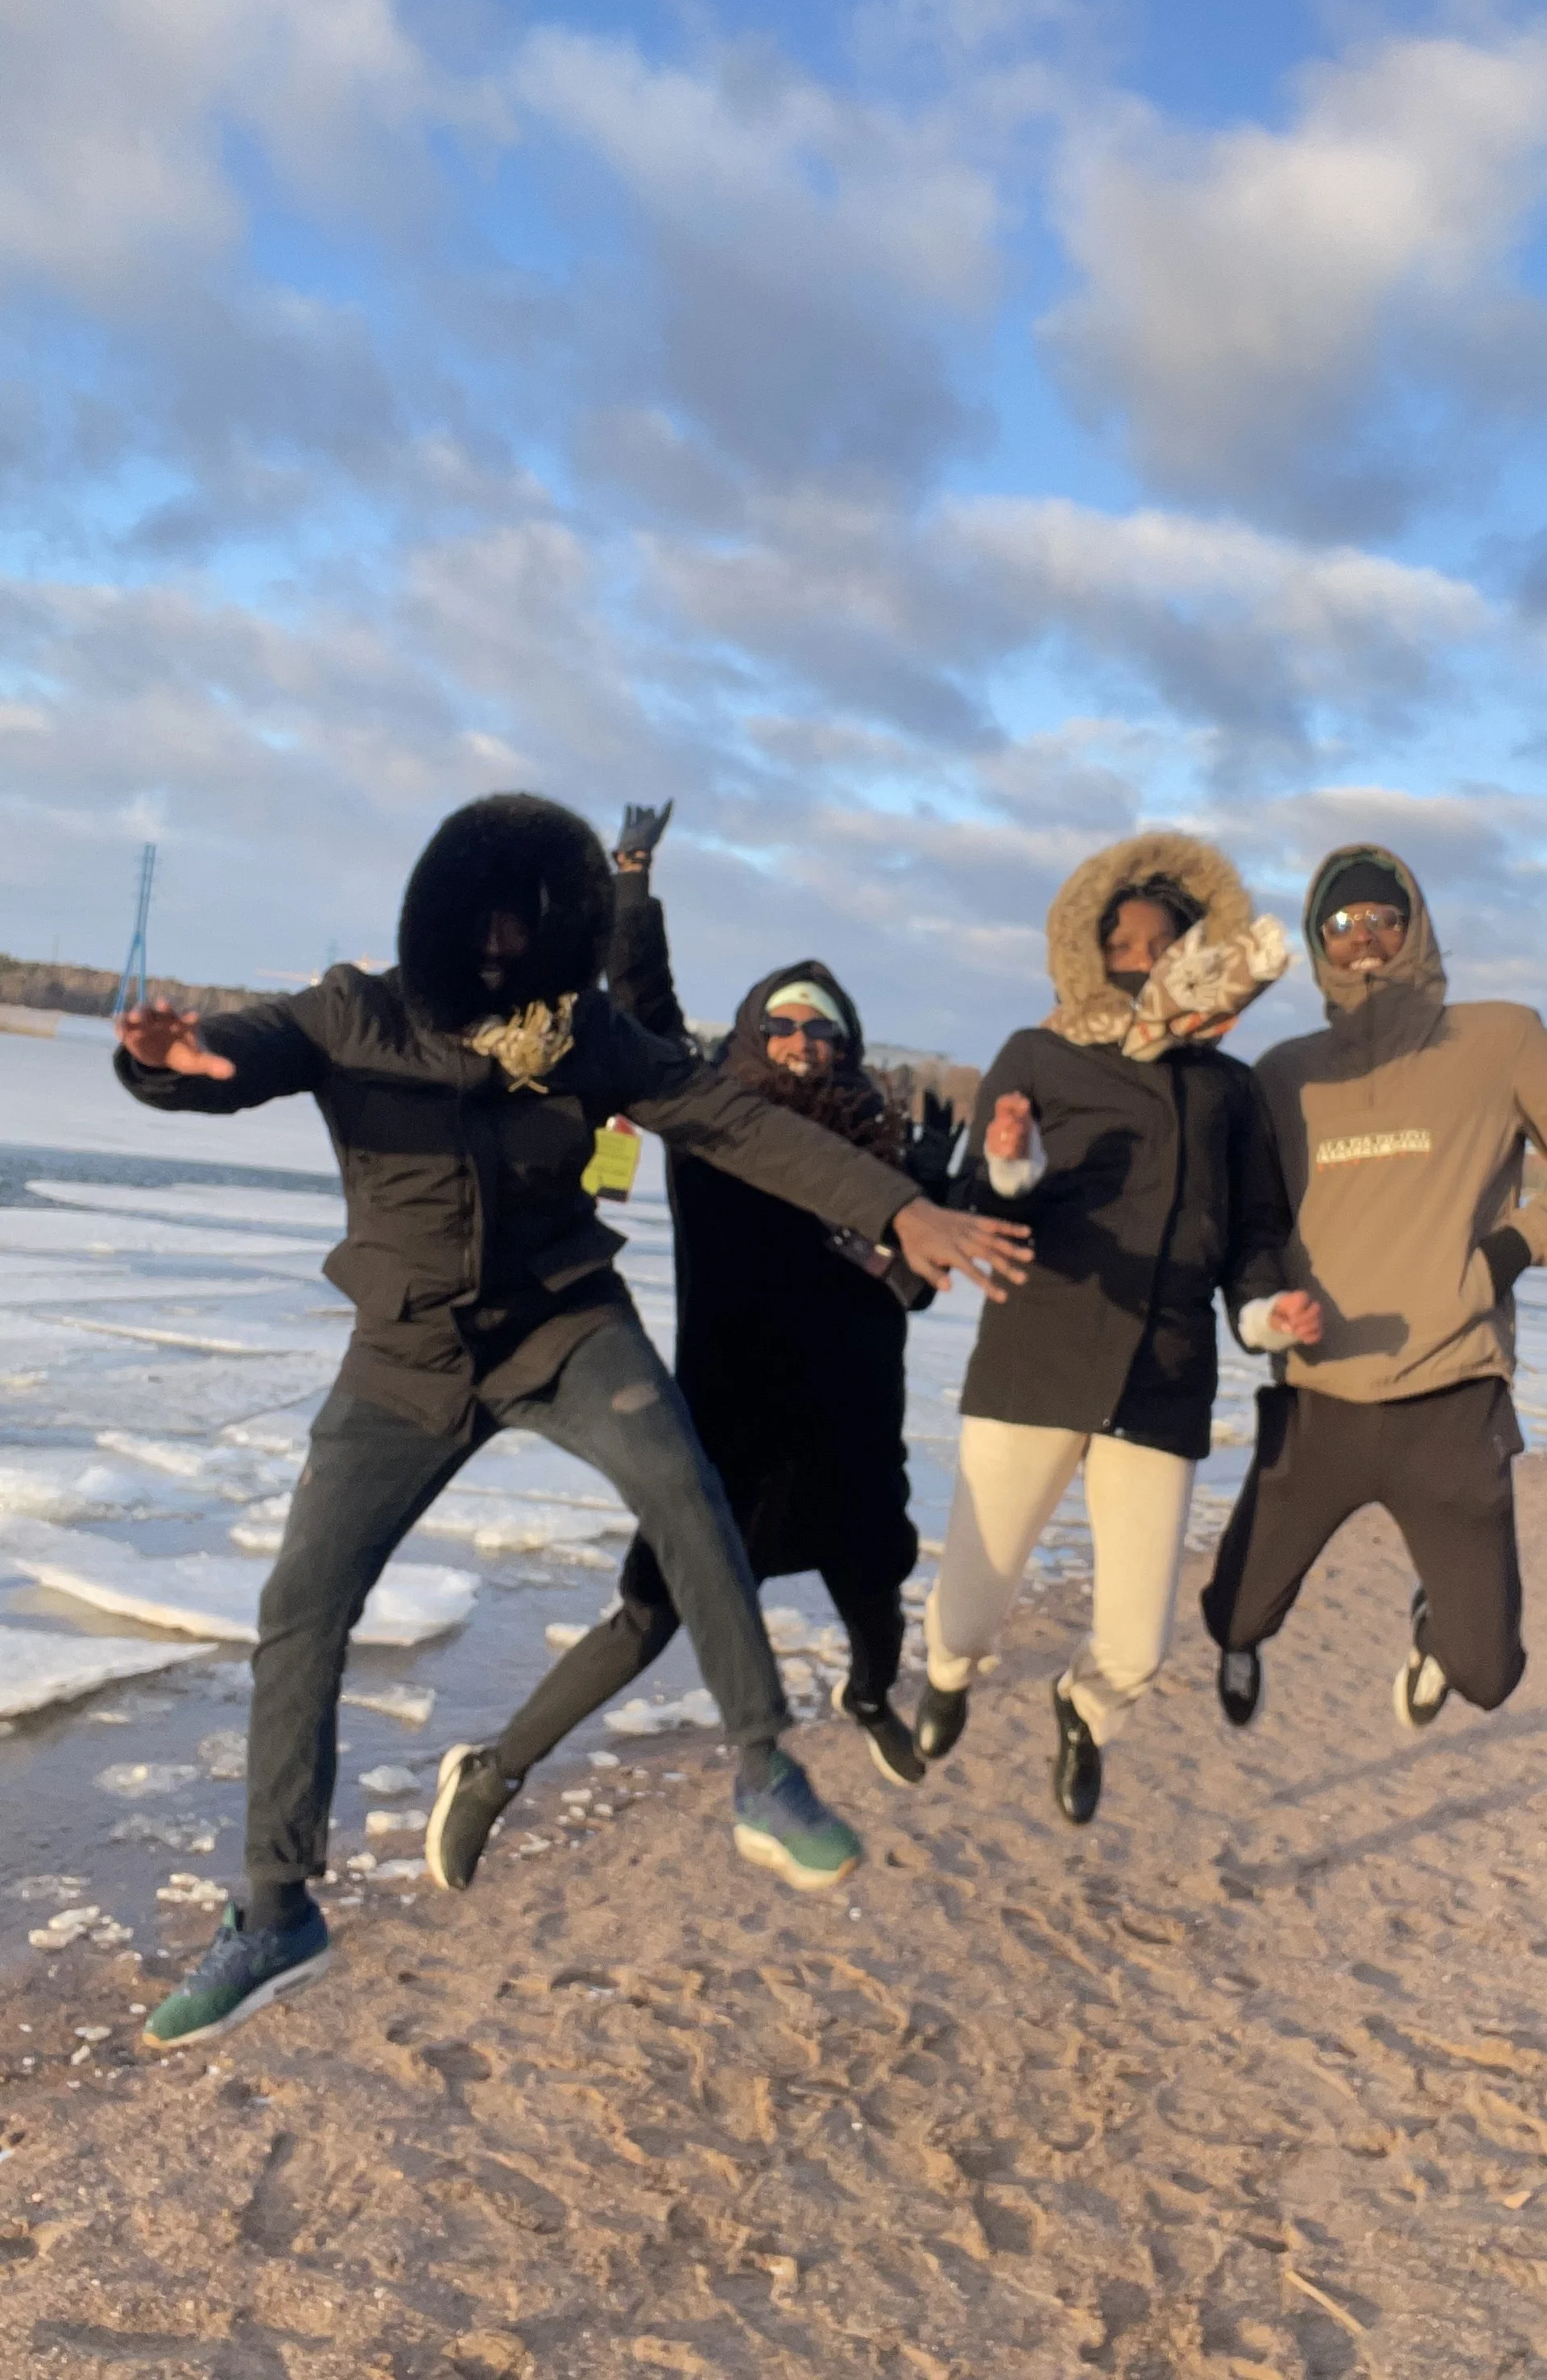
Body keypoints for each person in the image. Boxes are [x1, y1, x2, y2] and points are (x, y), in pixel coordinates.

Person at [113, 794, 1029, 2048]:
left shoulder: (589, 1033)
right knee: (302, 1604)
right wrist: (168, 1064)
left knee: (686, 1487)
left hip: (564, 1322)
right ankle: (274, 1911)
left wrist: (895, 1209)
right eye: (477, 920)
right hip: (407, 1350)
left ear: (563, 932)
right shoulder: (355, 1011)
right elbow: (239, 1052)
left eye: (526, 923)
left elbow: (736, 1120)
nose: (498, 946)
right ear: (436, 916)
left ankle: (765, 1770)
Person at [433, 801, 957, 1878]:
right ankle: (493, 1770)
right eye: (785, 1024)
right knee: (646, 1615)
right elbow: (646, 1006)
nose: (805, 1041)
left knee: (878, 1588)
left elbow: (928, 1274)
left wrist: (904, 1259)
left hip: (856, 1424)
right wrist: (632, 884)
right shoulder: (706, 1117)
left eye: (824, 1028)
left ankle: (868, 1696)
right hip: (735, 1421)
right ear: (754, 1033)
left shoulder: (885, 1140)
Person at [1200, 845, 1547, 1733]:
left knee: (1487, 1675)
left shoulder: (1501, 1038)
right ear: (1318, 942)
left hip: (1452, 1395)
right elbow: (1253, 1225)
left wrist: (1511, 1250)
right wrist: (1265, 1313)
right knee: (1235, 1614)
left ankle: (1432, 1625)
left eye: (1382, 918)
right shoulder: (1285, 1073)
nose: (1363, 937)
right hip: (1322, 1392)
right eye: (1342, 923)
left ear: (1413, 927)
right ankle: (1242, 1643)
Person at [913, 831, 1313, 1824]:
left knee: (1138, 1645)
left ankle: (1085, 1712)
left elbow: (1255, 1230)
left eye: (1162, 945)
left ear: (1196, 958)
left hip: (1165, 1376)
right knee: (969, 1610)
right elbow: (977, 1202)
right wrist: (1011, 1160)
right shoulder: (1038, 1052)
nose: (1140, 960)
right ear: (1089, 953)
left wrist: (1266, 1313)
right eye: (1123, 944)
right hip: (1036, 1358)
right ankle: (949, 1674)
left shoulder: (1229, 1088)